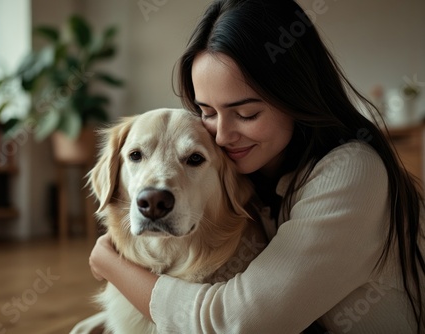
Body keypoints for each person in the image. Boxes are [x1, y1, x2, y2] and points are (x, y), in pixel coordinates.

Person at [87, 0, 425, 332]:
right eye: (207, 112)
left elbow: (241, 321)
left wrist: (112, 265)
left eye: (246, 114)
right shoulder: (255, 173)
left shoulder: (353, 172)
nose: (221, 135)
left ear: (296, 96)